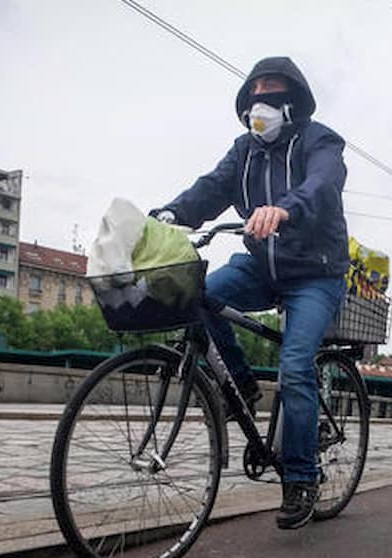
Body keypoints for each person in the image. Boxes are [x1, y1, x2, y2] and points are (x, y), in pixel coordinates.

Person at [152, 56, 349, 530]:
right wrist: (170, 215)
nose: (263, 99)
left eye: (274, 90)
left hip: (315, 273)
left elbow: (324, 183)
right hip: (260, 265)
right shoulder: (244, 150)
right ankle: (239, 385)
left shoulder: (318, 140)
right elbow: (211, 188)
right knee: (199, 296)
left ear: (292, 101)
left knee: (296, 365)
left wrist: (284, 209)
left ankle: (302, 478)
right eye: (255, 92)